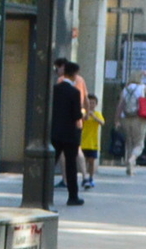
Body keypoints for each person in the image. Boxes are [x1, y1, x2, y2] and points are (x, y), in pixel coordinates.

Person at [50, 58, 84, 205]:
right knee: (71, 165)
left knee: (51, 163)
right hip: (70, 134)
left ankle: (44, 193)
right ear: (74, 74)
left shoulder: (55, 89)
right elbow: (76, 115)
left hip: (56, 131)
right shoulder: (74, 92)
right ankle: (73, 196)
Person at [117, 68, 146, 177]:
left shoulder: (125, 89)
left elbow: (120, 106)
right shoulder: (142, 88)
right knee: (139, 144)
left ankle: (130, 168)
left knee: (129, 143)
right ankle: (132, 159)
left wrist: (117, 120)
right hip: (139, 118)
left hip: (126, 118)